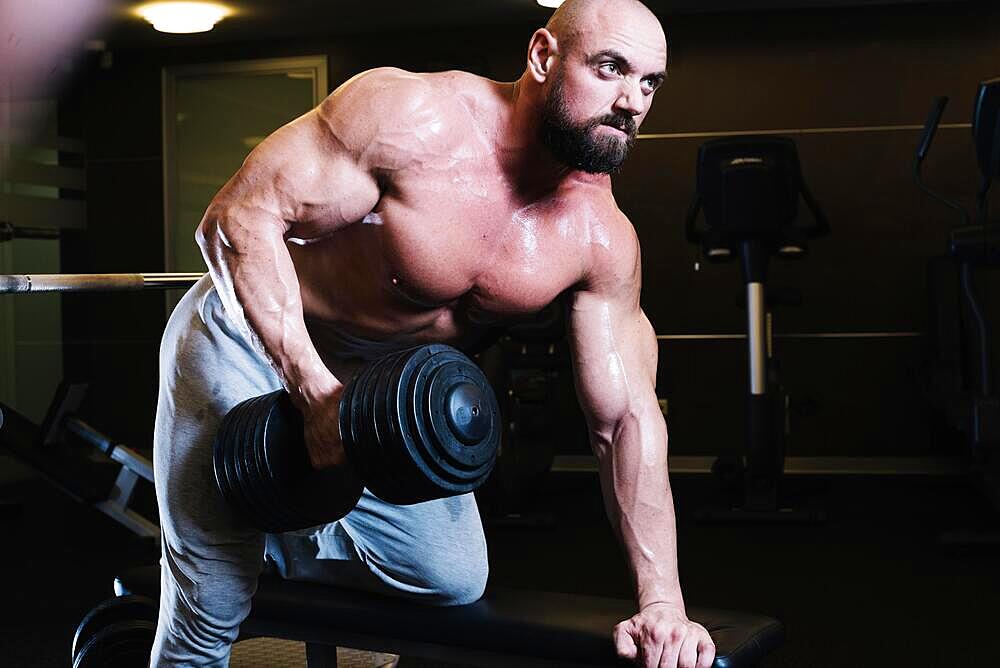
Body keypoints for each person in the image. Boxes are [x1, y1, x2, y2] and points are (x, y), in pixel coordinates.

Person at [151, 0, 716, 666]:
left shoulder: (600, 237)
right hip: (247, 337)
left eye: (650, 83)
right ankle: (224, 559)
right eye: (610, 68)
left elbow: (624, 421)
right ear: (542, 56)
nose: (631, 100)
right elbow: (236, 220)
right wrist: (312, 393)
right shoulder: (411, 119)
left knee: (448, 579)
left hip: (376, 389)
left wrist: (662, 604)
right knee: (209, 610)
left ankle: (272, 537)